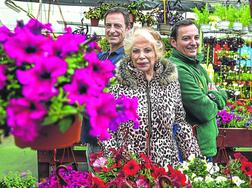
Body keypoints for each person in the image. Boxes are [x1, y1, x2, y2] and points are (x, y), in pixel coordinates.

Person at [101, 27, 201, 167]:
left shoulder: (169, 83)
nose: (141, 56)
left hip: (166, 166)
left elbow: (180, 123)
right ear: (130, 54)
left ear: (156, 53)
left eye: (147, 50)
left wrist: (196, 162)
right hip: (130, 168)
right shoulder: (118, 84)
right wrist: (114, 162)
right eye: (136, 51)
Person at [169, 19, 227, 160]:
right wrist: (213, 94)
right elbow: (205, 111)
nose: (193, 42)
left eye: (196, 37)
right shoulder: (178, 68)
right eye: (186, 38)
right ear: (173, 42)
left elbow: (223, 95)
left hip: (204, 145)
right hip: (190, 148)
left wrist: (212, 95)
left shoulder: (196, 66)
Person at [81, 7, 130, 167]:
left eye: (117, 26)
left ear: (128, 29)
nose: (112, 30)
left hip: (111, 142)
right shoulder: (101, 57)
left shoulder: (127, 62)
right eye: (108, 26)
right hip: (93, 138)